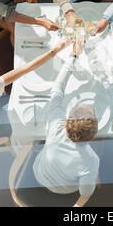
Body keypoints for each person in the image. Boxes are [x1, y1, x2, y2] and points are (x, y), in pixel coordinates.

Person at [33, 44, 100, 207]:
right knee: (91, 175)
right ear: (93, 135)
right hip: (61, 191)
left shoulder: (56, 124)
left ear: (69, 120)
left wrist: (74, 56)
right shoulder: (91, 160)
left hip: (38, 174)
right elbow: (85, 193)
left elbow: (57, 88)